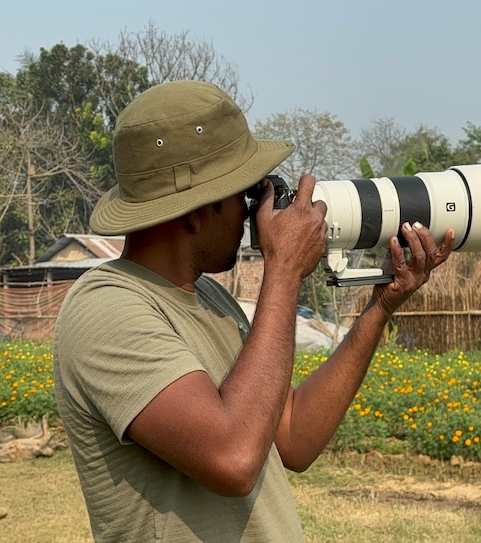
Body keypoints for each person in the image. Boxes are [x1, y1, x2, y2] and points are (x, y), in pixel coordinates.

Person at [52, 80, 454, 542]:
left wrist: (382, 304)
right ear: (196, 211)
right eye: (244, 195)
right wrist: (283, 270)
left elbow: (292, 437)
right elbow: (233, 459)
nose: (253, 214)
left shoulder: (211, 300)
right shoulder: (106, 307)